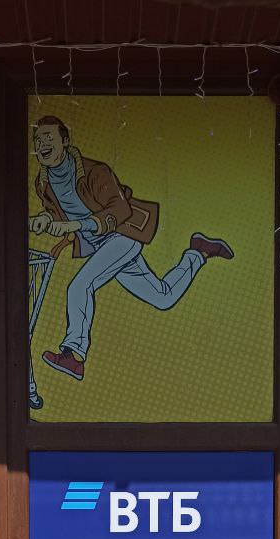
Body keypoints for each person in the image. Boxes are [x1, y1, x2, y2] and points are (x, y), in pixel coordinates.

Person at [29, 115, 234, 382]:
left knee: (80, 286)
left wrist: (75, 226)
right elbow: (56, 212)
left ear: (65, 141)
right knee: (162, 297)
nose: (42, 144)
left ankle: (74, 356)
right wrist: (46, 219)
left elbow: (119, 210)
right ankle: (198, 252)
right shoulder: (43, 182)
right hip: (99, 244)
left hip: (123, 234)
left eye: (49, 138)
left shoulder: (95, 172)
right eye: (37, 140)